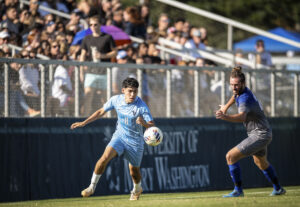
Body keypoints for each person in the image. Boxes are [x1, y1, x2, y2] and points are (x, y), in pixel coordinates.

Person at [70, 77, 154, 200]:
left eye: (135, 91)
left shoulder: (141, 106)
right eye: (130, 91)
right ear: (123, 90)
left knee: (134, 172)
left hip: (135, 142)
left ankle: (137, 188)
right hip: (119, 137)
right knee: (103, 159)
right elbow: (100, 112)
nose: (132, 94)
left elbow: (152, 125)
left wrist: (144, 123)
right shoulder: (116, 100)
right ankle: (91, 187)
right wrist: (84, 123)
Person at [215, 66, 286, 197]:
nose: (234, 87)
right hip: (263, 133)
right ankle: (278, 189)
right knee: (261, 163)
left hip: (259, 134)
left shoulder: (244, 98)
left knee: (230, 156)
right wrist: (225, 106)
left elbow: (242, 117)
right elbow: (234, 95)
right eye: (231, 84)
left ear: (243, 83)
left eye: (236, 85)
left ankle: (238, 191)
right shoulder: (241, 92)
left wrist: (225, 116)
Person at [80, 15, 117, 116]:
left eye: (95, 24)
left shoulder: (107, 37)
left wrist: (103, 55)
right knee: (88, 97)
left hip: (105, 72)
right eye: (91, 25)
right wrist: (81, 72)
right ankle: (85, 119)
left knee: (105, 99)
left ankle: (107, 120)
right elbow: (82, 56)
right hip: (91, 72)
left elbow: (115, 52)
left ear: (100, 25)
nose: (93, 27)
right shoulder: (87, 38)